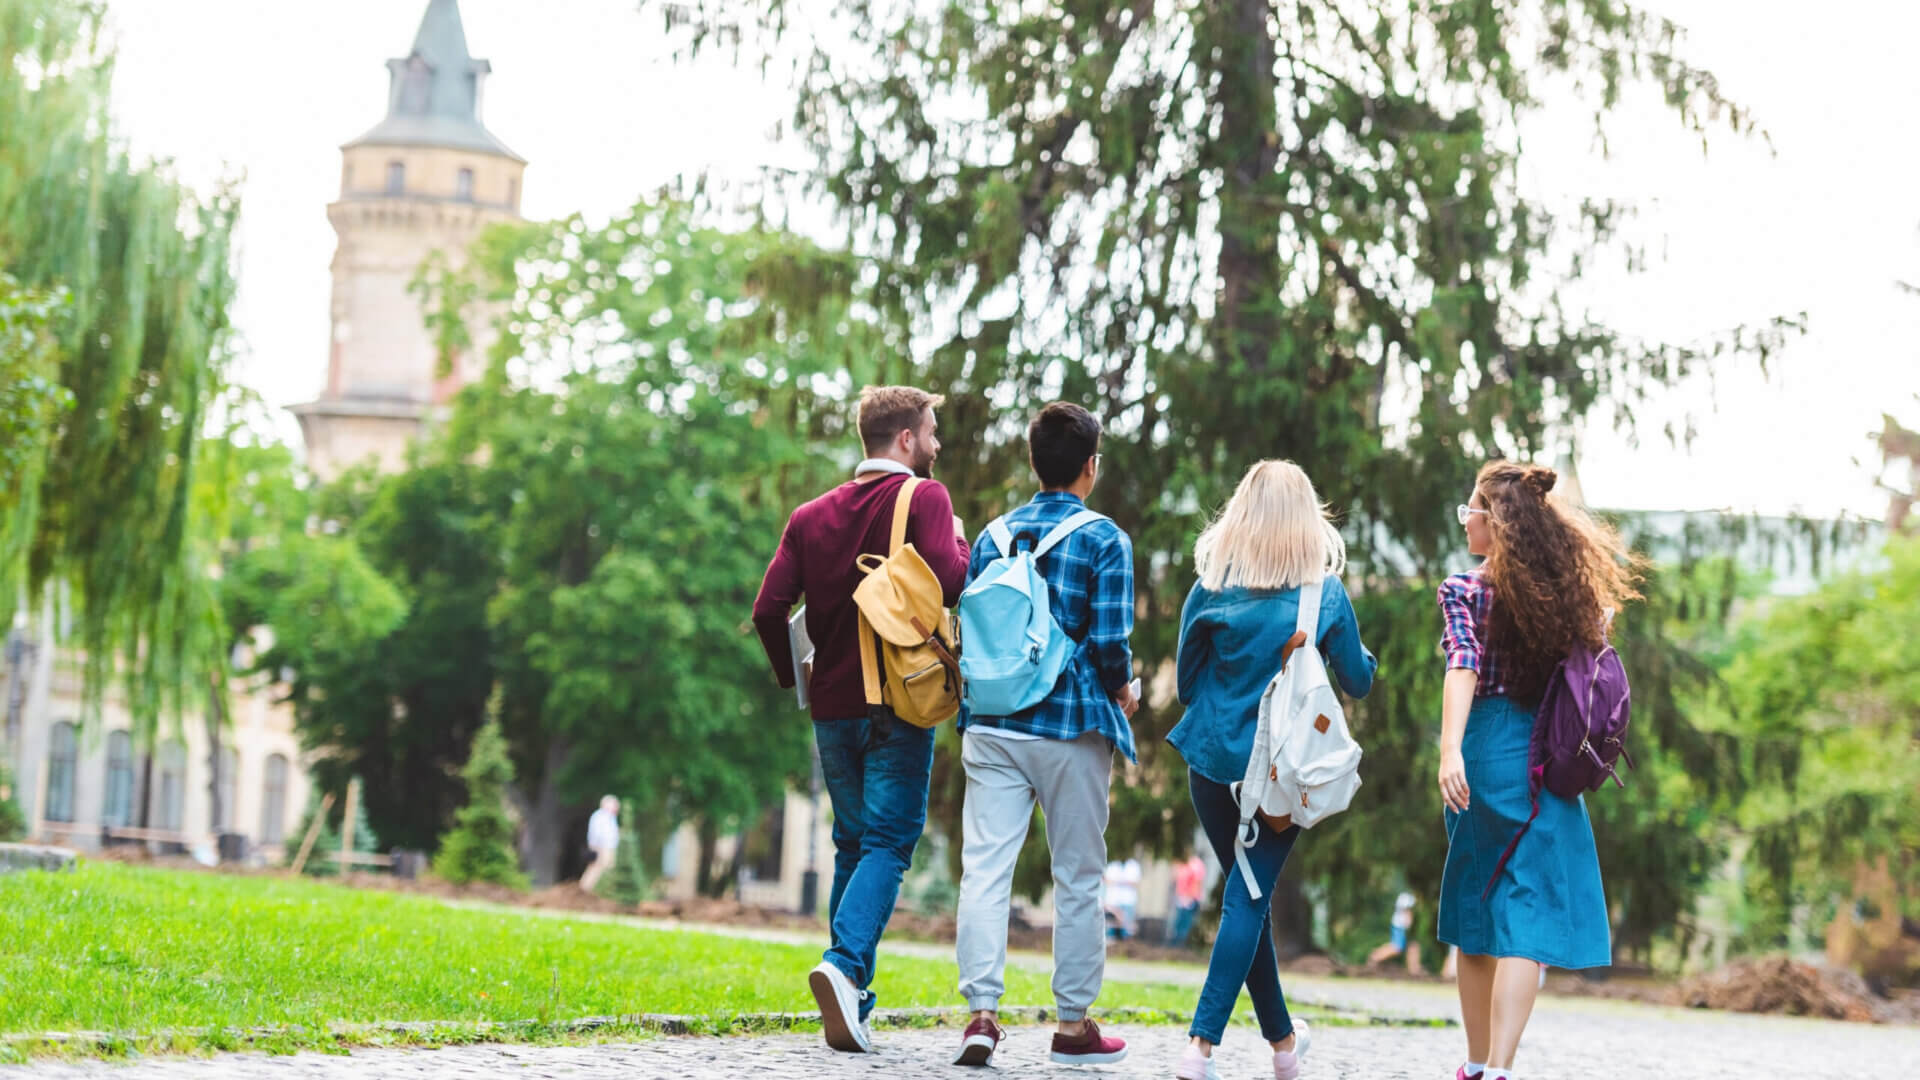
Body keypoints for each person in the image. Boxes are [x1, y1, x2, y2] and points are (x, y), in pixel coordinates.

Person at [752, 385, 970, 1055]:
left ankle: (853, 1001)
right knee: (888, 843)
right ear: (904, 439)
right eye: (930, 432)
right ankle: (844, 967)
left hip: (832, 711)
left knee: (853, 842)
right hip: (897, 706)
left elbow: (767, 611)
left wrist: (799, 683)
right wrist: (960, 545)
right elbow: (952, 582)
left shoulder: (809, 515)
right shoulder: (925, 499)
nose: (937, 444)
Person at [1167, 460, 1377, 1080]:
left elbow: (1184, 684)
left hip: (1209, 767)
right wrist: (1352, 648)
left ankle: (1285, 1046)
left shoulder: (1209, 586)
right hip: (1280, 778)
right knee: (1247, 901)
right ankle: (1199, 1049)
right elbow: (1358, 681)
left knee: (1245, 896)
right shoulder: (1324, 594)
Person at [950, 402, 1138, 1069]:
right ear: (1090, 466)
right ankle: (1072, 1024)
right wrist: (1125, 689)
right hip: (1070, 725)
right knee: (1079, 876)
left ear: (1033, 462)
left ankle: (980, 1014)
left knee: (986, 869)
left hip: (993, 723)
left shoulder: (991, 536)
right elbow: (1112, 643)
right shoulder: (1105, 539)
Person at [1436, 461, 1639, 1080]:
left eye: (1471, 509)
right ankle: (1500, 1067)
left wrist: (1450, 752)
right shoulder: (1569, 599)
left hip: (1485, 748)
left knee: (1477, 910)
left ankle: (1474, 1065)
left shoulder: (1464, 590)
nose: (1466, 519)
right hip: (1551, 757)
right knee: (1527, 914)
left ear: (1495, 522)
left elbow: (1462, 667)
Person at [579, 795, 620, 893]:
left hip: (608, 848)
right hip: (602, 848)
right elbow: (596, 833)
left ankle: (598, 890)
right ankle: (584, 890)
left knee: (605, 870)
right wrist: (595, 847)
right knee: (596, 869)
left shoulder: (610, 817)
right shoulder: (600, 816)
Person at [1367, 891, 1417, 968]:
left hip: (1399, 926)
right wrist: (1408, 922)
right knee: (1396, 948)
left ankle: (1414, 968)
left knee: (1409, 946)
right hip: (1399, 926)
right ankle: (1375, 957)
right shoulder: (1407, 898)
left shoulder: (1406, 896)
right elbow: (1407, 911)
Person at [1168, 850, 1208, 947]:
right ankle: (1175, 947)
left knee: (1185, 925)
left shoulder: (1196, 864)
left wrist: (1190, 898)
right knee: (1178, 924)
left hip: (1190, 900)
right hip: (1181, 898)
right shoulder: (1182, 863)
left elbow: (1197, 882)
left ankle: (1182, 947)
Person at [1103, 856, 1143, 940]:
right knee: (1111, 929)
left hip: (1128, 900)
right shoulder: (1112, 864)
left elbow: (1136, 882)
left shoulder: (1133, 865)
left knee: (1126, 929)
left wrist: (1118, 881)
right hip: (1113, 901)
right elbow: (1107, 880)